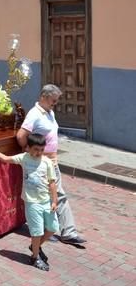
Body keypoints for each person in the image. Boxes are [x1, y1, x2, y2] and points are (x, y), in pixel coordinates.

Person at [16, 84, 87, 245]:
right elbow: (21, 136)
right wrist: (30, 152)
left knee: (55, 196)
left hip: (52, 161)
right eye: (53, 100)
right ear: (44, 97)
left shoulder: (49, 112)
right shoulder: (34, 114)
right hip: (42, 163)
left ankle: (62, 230)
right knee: (53, 196)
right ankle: (62, 231)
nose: (55, 103)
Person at [0, 134, 58, 271]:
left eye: (41, 150)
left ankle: (35, 246)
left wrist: (54, 200)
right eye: (36, 149)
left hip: (46, 201)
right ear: (28, 148)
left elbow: (52, 182)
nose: (38, 153)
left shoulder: (47, 162)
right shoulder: (24, 158)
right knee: (37, 232)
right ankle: (35, 257)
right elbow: (5, 159)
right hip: (32, 202)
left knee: (52, 228)